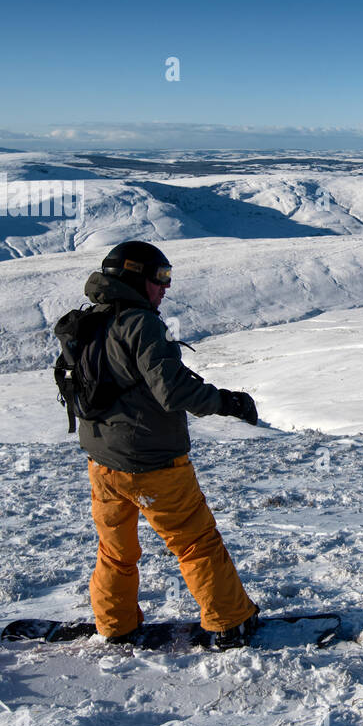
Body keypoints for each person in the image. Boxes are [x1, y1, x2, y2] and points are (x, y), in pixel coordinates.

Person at [75, 240, 261, 648]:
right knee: (195, 542)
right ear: (132, 276)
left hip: (102, 464)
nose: (165, 287)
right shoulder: (140, 323)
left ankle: (115, 624)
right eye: (159, 277)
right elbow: (173, 391)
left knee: (115, 551)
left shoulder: (91, 321)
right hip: (153, 465)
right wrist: (225, 401)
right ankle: (229, 621)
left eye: (168, 276)